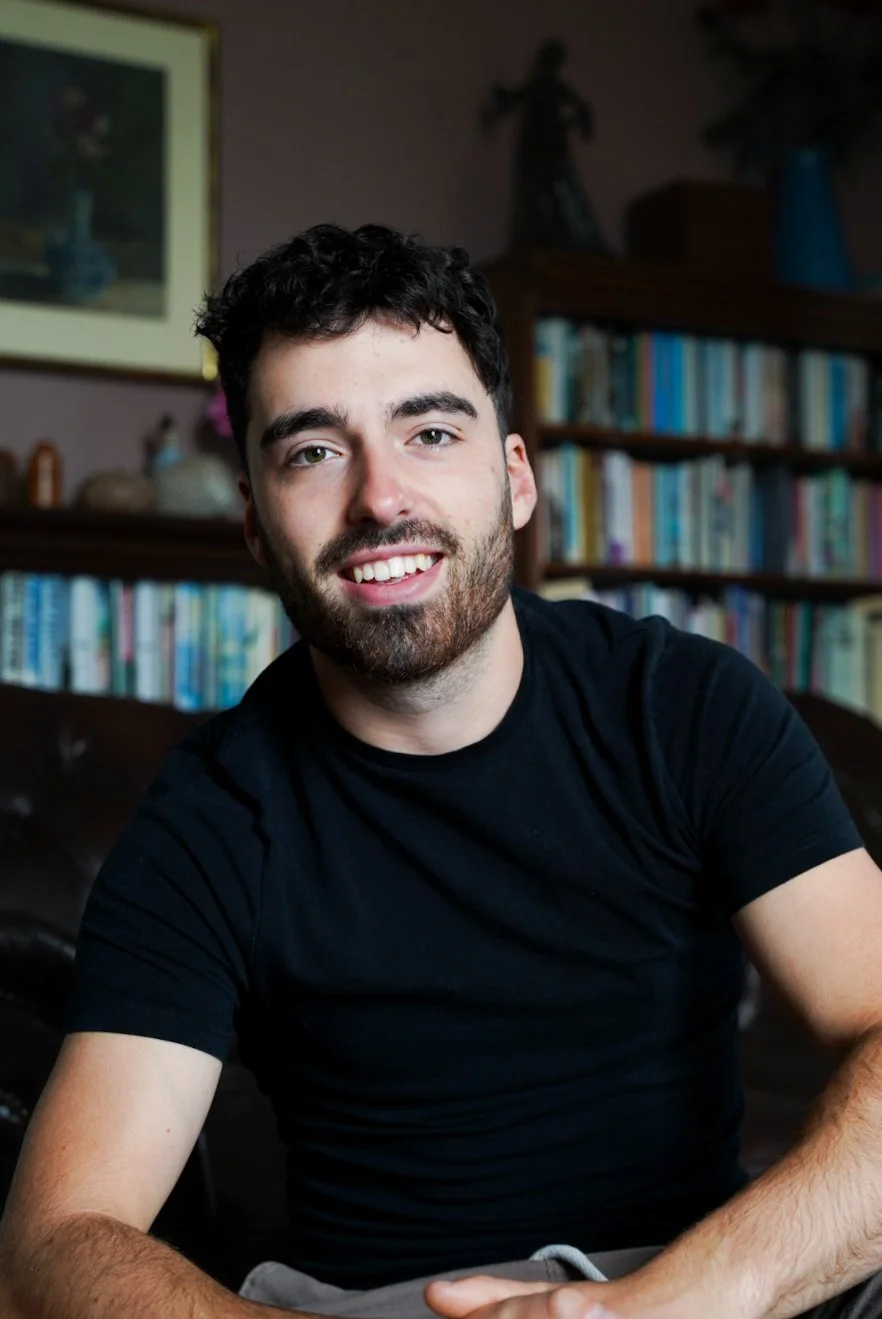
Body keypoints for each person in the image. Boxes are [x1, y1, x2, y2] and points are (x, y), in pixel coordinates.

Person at [1, 223, 882, 1319]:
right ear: (255, 525)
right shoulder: (210, 816)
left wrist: (682, 1298)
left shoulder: (687, 706)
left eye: (429, 430)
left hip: (695, 1280)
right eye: (312, 450)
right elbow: (55, 1238)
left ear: (514, 476)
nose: (379, 497)